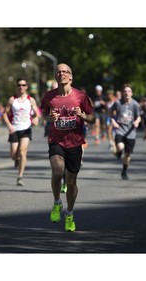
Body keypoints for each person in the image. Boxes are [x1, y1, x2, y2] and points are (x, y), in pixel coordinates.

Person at [41, 63, 95, 232]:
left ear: (71, 77)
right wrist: (50, 117)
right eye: (59, 72)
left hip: (75, 143)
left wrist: (82, 115)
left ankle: (69, 214)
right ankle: (57, 202)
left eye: (65, 72)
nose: (62, 74)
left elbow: (93, 118)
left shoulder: (81, 96)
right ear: (55, 76)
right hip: (56, 140)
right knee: (57, 171)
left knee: (71, 182)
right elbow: (43, 116)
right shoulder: (49, 96)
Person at [2, 78, 39, 186]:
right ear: (17, 86)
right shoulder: (12, 100)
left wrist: (36, 118)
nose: (21, 87)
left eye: (23, 85)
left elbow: (37, 113)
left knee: (23, 151)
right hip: (14, 128)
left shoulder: (30, 100)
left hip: (26, 128)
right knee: (14, 155)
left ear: (27, 87)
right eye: (19, 85)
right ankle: (16, 159)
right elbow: (4, 114)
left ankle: (20, 176)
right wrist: (9, 125)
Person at [111, 83, 142, 180]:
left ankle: (124, 171)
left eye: (129, 91)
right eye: (125, 91)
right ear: (122, 93)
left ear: (131, 93)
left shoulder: (135, 104)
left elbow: (139, 117)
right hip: (120, 130)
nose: (127, 93)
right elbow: (111, 113)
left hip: (131, 133)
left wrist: (136, 122)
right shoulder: (118, 103)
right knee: (120, 147)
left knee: (128, 155)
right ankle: (119, 152)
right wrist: (113, 122)